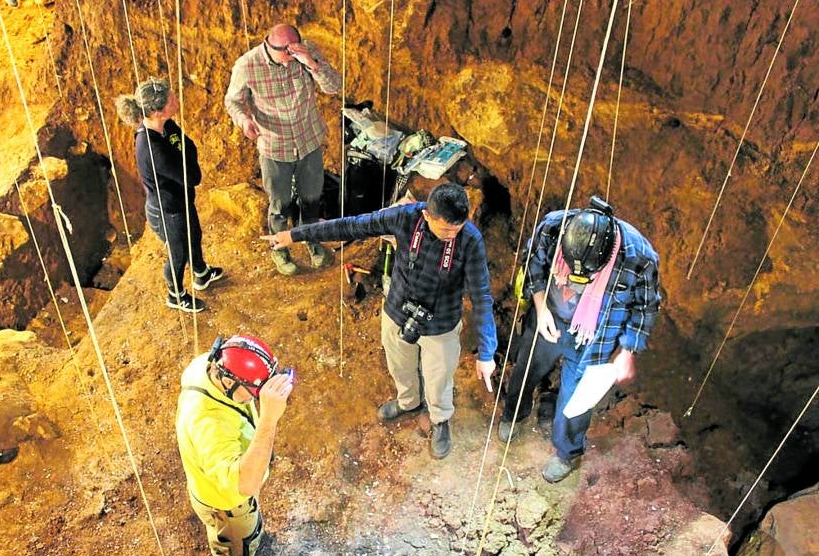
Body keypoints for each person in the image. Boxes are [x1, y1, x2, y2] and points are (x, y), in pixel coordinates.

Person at [266, 182, 498, 460]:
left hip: (442, 322)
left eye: (456, 229)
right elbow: (351, 226)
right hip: (398, 310)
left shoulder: (470, 240)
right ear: (427, 215)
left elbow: (482, 296)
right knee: (399, 364)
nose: (452, 236)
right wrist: (295, 235)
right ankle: (408, 402)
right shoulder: (405, 217)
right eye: (446, 229)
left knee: (439, 379)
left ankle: (439, 419)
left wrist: (486, 352)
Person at [509, 195, 660, 483]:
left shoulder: (638, 255)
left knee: (576, 399)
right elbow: (534, 265)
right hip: (550, 317)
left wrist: (628, 350)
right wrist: (541, 310)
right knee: (526, 367)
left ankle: (567, 452)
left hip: (596, 334)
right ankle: (514, 414)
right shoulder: (554, 227)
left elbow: (646, 305)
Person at [176, 335, 292, 556]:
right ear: (228, 381)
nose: (258, 396)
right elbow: (246, 484)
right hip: (227, 503)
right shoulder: (209, 425)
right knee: (236, 553)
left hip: (219, 489)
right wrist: (269, 419)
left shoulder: (208, 367)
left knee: (242, 538)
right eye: (254, 391)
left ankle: (244, 549)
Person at [224, 23, 342, 275]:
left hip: (308, 140)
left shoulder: (306, 52)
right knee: (280, 204)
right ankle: (279, 248)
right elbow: (233, 101)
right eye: (286, 53)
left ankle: (311, 239)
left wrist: (311, 63)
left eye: (295, 50)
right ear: (269, 46)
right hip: (274, 145)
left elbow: (333, 86)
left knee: (311, 199)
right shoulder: (247, 65)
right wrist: (244, 120)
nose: (291, 58)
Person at [115, 77, 224, 312]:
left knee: (194, 235)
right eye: (171, 98)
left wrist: (185, 156)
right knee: (178, 253)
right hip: (167, 210)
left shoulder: (167, 126)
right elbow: (193, 176)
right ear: (156, 110)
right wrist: (185, 157)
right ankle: (175, 295)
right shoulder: (152, 148)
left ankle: (201, 273)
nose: (176, 99)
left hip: (181, 199)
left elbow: (190, 146)